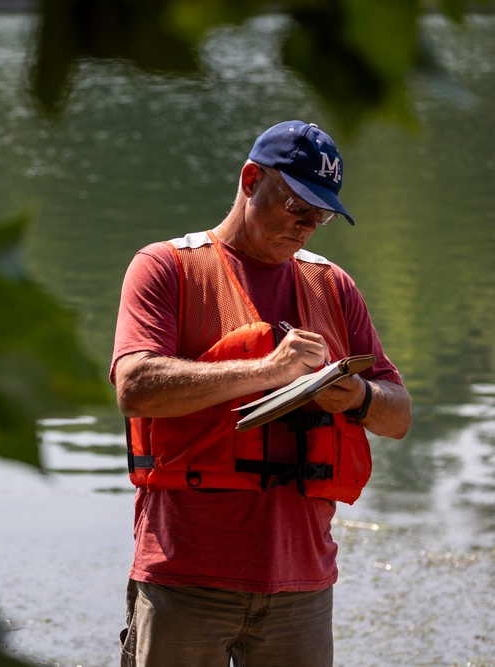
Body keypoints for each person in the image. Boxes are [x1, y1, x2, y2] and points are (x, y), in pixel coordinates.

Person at [111, 120, 412, 667]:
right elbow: (136, 387)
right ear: (251, 179)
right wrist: (268, 369)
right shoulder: (165, 268)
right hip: (185, 578)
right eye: (297, 206)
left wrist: (356, 397)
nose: (307, 226)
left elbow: (398, 415)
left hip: (303, 587)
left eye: (321, 215)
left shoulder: (333, 285)